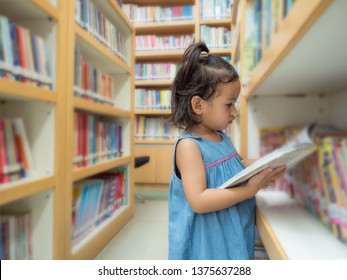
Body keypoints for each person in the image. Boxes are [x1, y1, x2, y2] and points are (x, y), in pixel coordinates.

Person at [168, 41, 286, 260]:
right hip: (207, 243)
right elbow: (199, 200)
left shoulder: (222, 137)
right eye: (229, 104)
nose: (234, 111)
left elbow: (239, 165)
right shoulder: (189, 146)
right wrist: (250, 190)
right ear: (198, 105)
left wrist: (266, 165)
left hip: (229, 230)